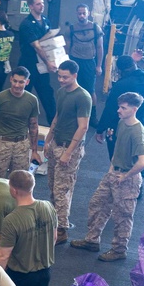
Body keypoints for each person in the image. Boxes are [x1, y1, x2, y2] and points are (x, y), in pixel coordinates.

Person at [72, 92, 144, 262]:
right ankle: (92, 240)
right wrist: (111, 169)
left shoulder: (137, 131)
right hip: (113, 173)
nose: (119, 110)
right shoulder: (122, 123)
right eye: (119, 106)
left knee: (122, 216)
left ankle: (119, 250)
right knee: (97, 204)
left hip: (127, 179)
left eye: (123, 108)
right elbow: (117, 150)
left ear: (134, 109)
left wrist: (126, 175)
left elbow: (143, 162)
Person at [45, 59, 92, 245]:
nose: (61, 80)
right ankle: (54, 222)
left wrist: (68, 152)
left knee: (61, 190)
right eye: (59, 76)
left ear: (75, 75)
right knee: (52, 186)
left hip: (69, 148)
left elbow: (83, 127)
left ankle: (62, 230)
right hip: (56, 143)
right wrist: (48, 138)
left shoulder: (83, 97)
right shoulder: (61, 92)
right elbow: (58, 115)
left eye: (65, 77)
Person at [0, 67, 41, 179]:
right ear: (11, 79)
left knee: (19, 181)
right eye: (15, 81)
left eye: (21, 82)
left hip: (21, 145)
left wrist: (35, 151)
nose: (17, 85)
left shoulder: (32, 100)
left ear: (27, 82)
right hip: (2, 144)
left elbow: (33, 126)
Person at [97, 55, 144, 159]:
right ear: (134, 64)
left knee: (117, 156)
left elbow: (110, 109)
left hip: (122, 126)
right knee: (137, 154)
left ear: (119, 70)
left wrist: (100, 129)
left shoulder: (120, 85)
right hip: (143, 123)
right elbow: (139, 71)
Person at [18, 0, 55, 122]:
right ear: (31, 6)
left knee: (47, 93)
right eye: (38, 4)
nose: (42, 6)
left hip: (42, 65)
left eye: (42, 3)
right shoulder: (26, 24)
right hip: (29, 64)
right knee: (23, 93)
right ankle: (19, 122)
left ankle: (53, 124)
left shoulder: (45, 20)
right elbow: (37, 47)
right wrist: (49, 63)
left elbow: (49, 40)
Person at [67, 4, 105, 114]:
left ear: (88, 13)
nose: (82, 16)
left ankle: (92, 115)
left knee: (90, 90)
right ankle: (73, 112)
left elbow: (99, 47)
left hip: (89, 62)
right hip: (75, 61)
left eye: (84, 13)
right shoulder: (71, 29)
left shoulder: (95, 28)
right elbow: (67, 48)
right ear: (76, 14)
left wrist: (99, 66)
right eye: (80, 13)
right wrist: (65, 63)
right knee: (73, 88)